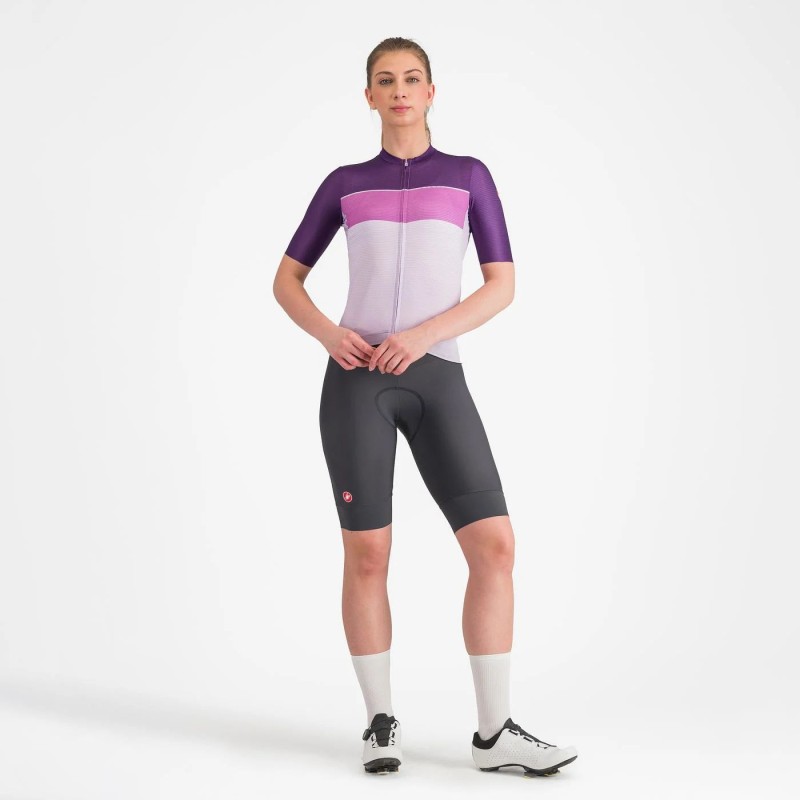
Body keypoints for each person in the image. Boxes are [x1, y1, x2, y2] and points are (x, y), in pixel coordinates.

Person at [273, 36, 578, 777]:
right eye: (386, 80)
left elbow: (502, 284)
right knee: (368, 553)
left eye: (412, 78)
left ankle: (494, 733)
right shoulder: (345, 184)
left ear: (432, 92)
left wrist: (421, 337)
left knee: (494, 546)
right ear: (369, 97)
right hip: (357, 383)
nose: (400, 90)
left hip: (437, 376)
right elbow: (286, 280)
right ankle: (380, 722)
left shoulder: (468, 177)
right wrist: (331, 336)